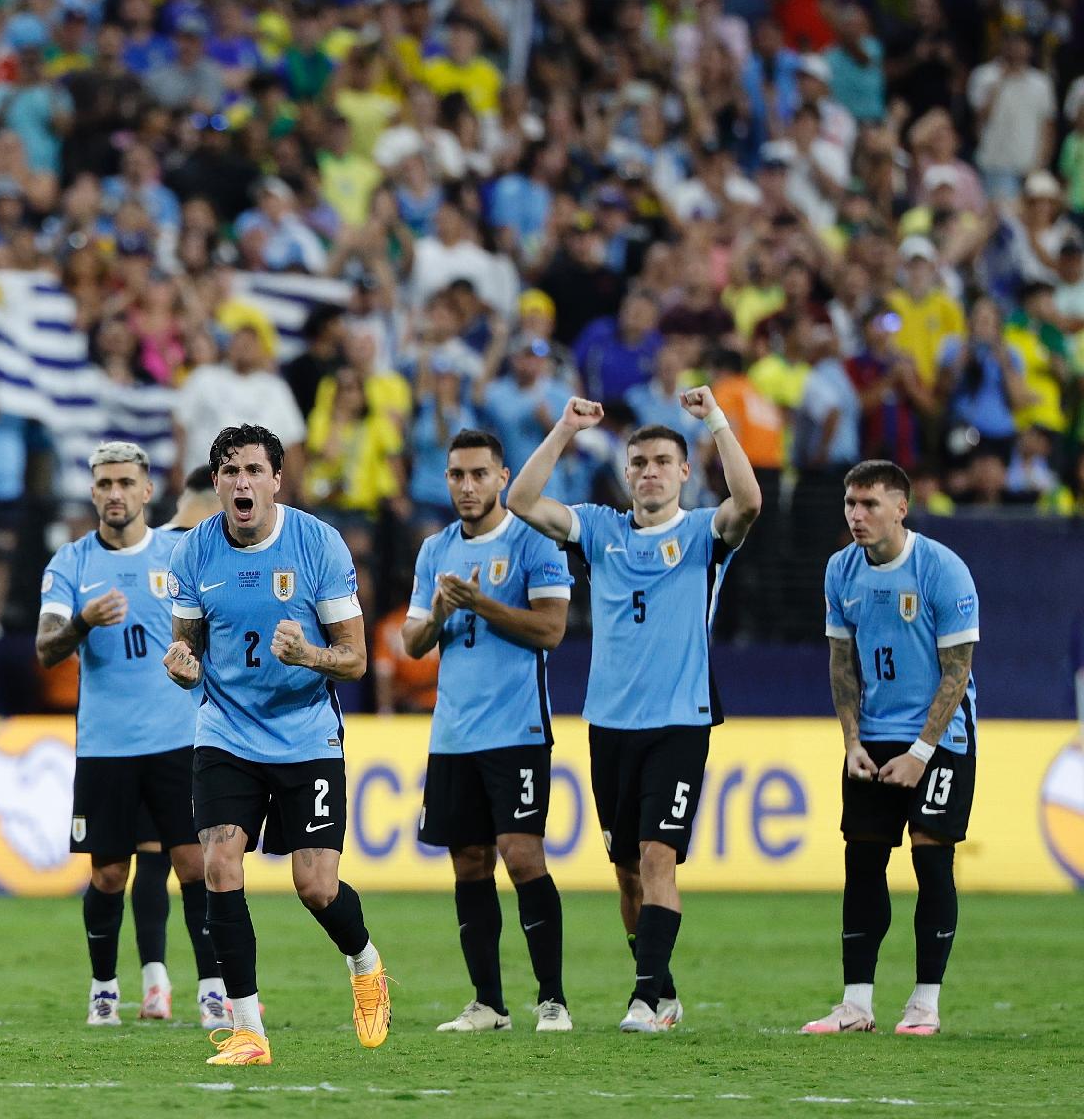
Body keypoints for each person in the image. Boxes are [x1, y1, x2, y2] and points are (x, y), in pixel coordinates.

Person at [506, 389, 762, 1033]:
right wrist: (565, 428)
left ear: (685, 472)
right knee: (626, 873)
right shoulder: (601, 530)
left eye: (662, 462)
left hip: (679, 722)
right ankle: (663, 989)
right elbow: (522, 500)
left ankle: (644, 1000)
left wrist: (716, 420)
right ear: (626, 474)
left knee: (656, 858)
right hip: (610, 724)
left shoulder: (703, 534)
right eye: (639, 462)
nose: (650, 472)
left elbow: (750, 502)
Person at [163, 423, 388, 1066]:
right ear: (216, 484)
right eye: (230, 471)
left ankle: (365, 964)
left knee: (315, 886)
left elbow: (355, 659)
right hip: (226, 732)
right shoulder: (193, 552)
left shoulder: (318, 544)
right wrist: (182, 669)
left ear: (276, 481)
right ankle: (247, 1032)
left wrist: (308, 654)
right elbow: (188, 650)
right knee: (219, 865)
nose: (243, 482)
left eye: (254, 470)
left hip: (305, 734)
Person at [36, 442, 223, 1030]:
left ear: (147, 491)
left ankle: (213, 990)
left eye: (125, 483)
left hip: (180, 740)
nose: (114, 494)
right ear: (93, 493)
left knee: (195, 866)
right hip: (107, 746)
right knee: (109, 874)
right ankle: (104, 988)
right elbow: (46, 649)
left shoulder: (178, 554)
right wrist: (83, 621)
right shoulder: (71, 563)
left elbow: (211, 629)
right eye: (104, 484)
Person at [401, 429, 574, 1033]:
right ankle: (488, 1004)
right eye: (456, 475)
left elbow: (552, 630)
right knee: (468, 863)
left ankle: (552, 1000)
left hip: (517, 729)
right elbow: (412, 643)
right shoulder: (435, 549)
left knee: (522, 856)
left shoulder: (534, 539)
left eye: (479, 474)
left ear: (503, 477)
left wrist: (480, 604)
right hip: (453, 734)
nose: (467, 486)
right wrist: (442, 612)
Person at [801, 461, 979, 1038]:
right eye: (850, 504)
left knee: (931, 859)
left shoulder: (941, 569)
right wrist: (851, 741)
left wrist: (921, 752)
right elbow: (842, 663)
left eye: (869, 504)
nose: (857, 515)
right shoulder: (840, 570)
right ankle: (855, 1005)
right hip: (874, 735)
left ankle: (925, 1004)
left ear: (901, 508)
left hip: (941, 737)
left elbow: (957, 671)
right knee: (862, 862)